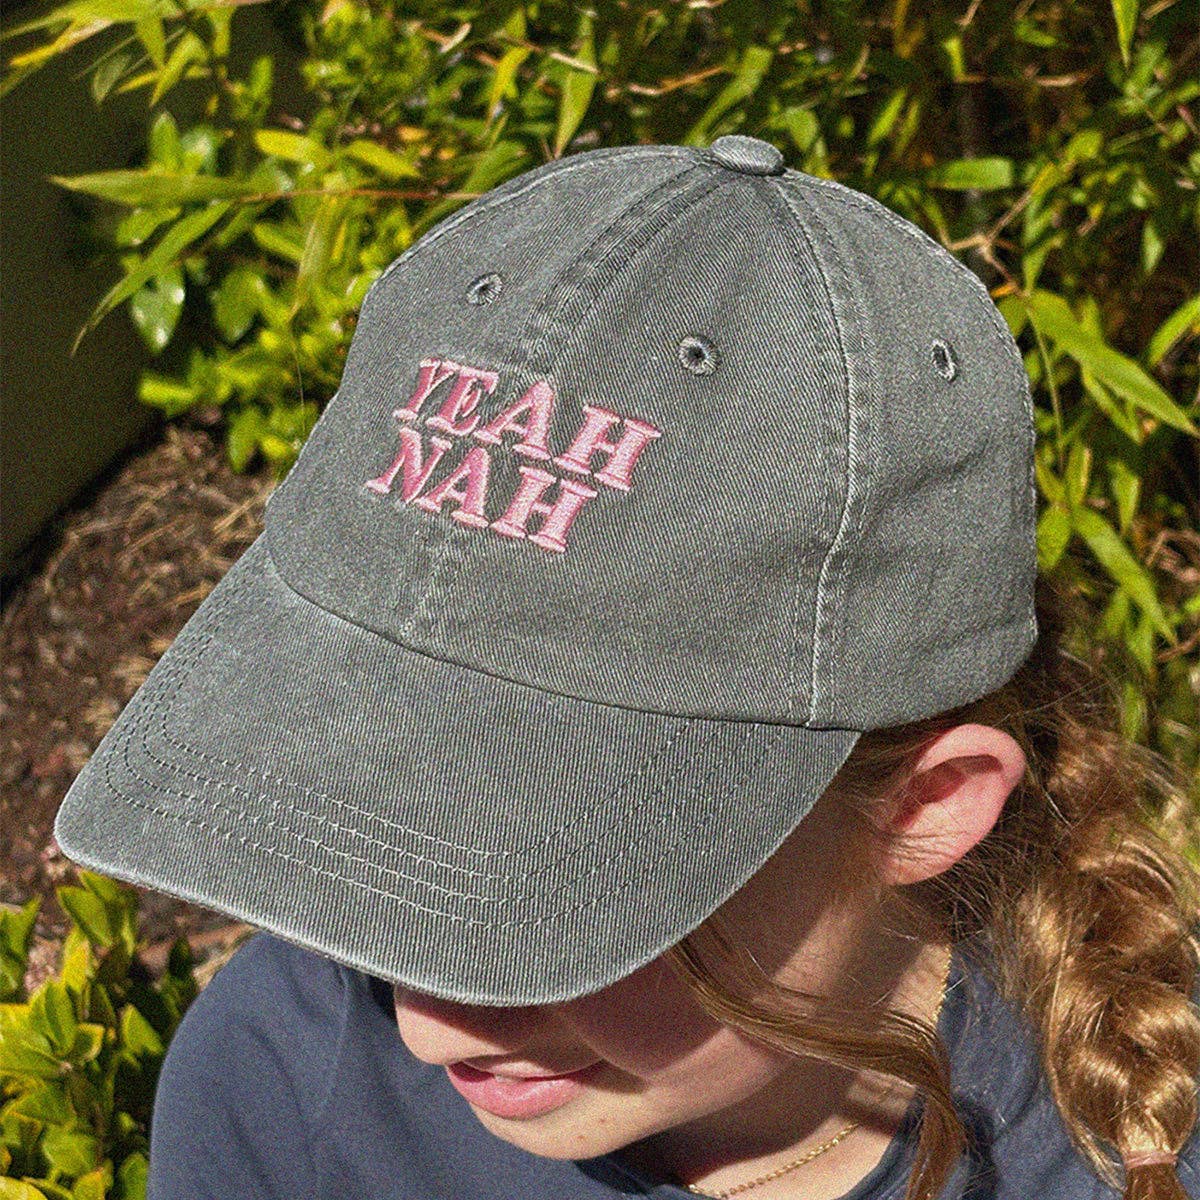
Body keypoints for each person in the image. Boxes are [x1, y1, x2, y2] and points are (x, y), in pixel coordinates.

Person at [52, 134, 1200, 1200]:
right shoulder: (282, 1083)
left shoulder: (1141, 1132)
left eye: (553, 893)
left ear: (926, 804)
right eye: (377, 798)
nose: (427, 1028)